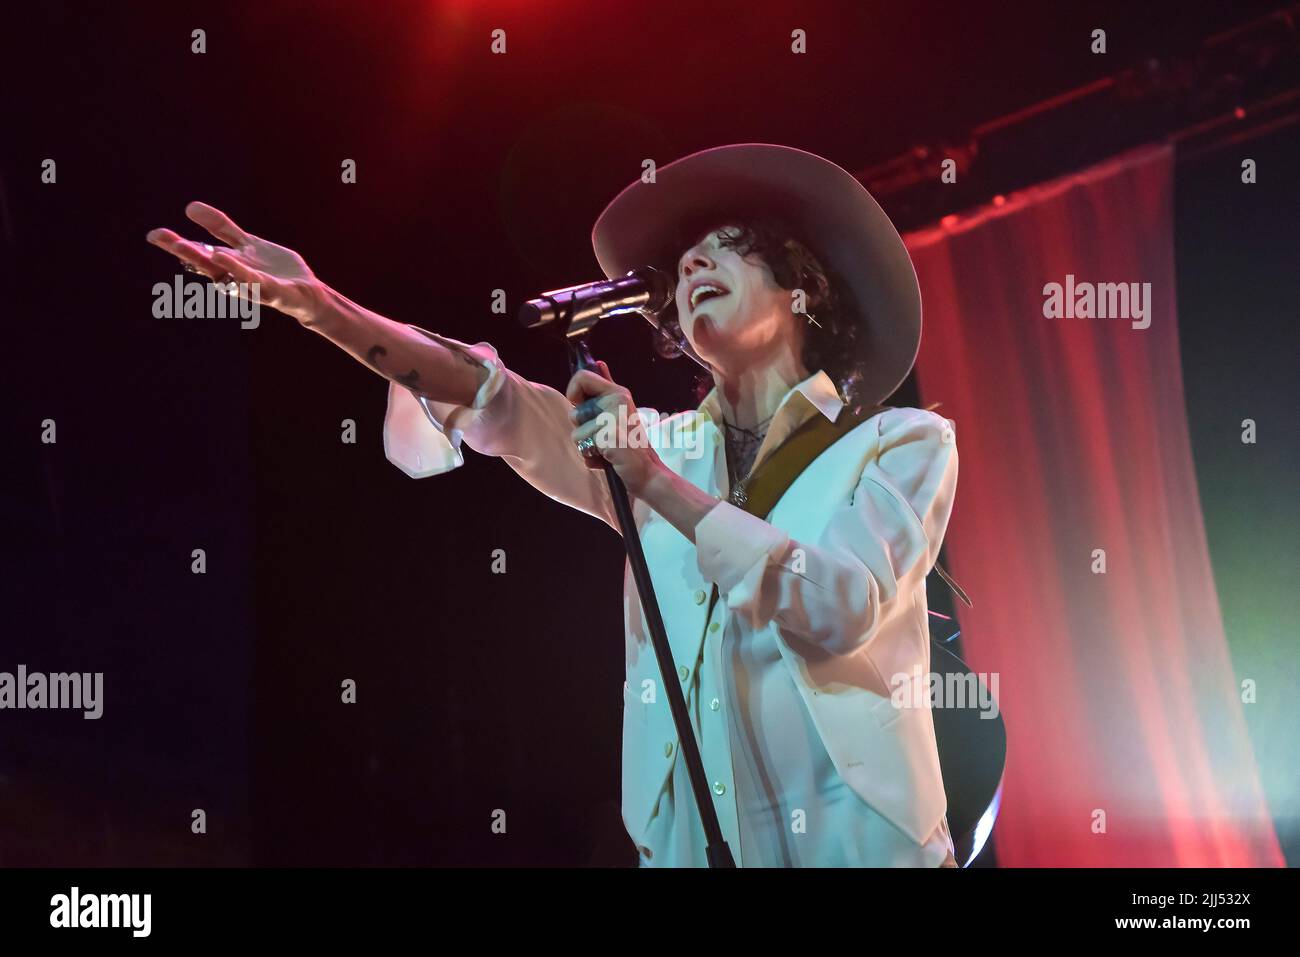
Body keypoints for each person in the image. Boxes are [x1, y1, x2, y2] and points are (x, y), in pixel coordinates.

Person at [146, 143, 960, 867]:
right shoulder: (662, 445)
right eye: (680, 267)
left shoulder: (899, 443)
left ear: (802, 291)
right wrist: (319, 303)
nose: (692, 266)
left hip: (858, 841)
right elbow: (490, 397)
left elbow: (840, 603)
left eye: (729, 249)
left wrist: (648, 480)